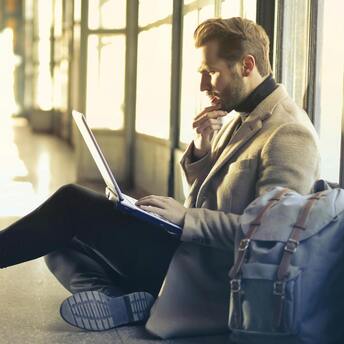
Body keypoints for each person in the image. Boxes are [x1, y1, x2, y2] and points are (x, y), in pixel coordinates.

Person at [0, 17, 320, 338]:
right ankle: (123, 300)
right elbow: (204, 198)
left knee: (71, 204)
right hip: (185, 251)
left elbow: (271, 237)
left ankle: (140, 298)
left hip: (209, 274)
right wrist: (201, 150)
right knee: (55, 242)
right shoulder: (236, 118)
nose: (204, 86)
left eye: (211, 72)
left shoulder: (288, 132)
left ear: (247, 65)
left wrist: (185, 219)